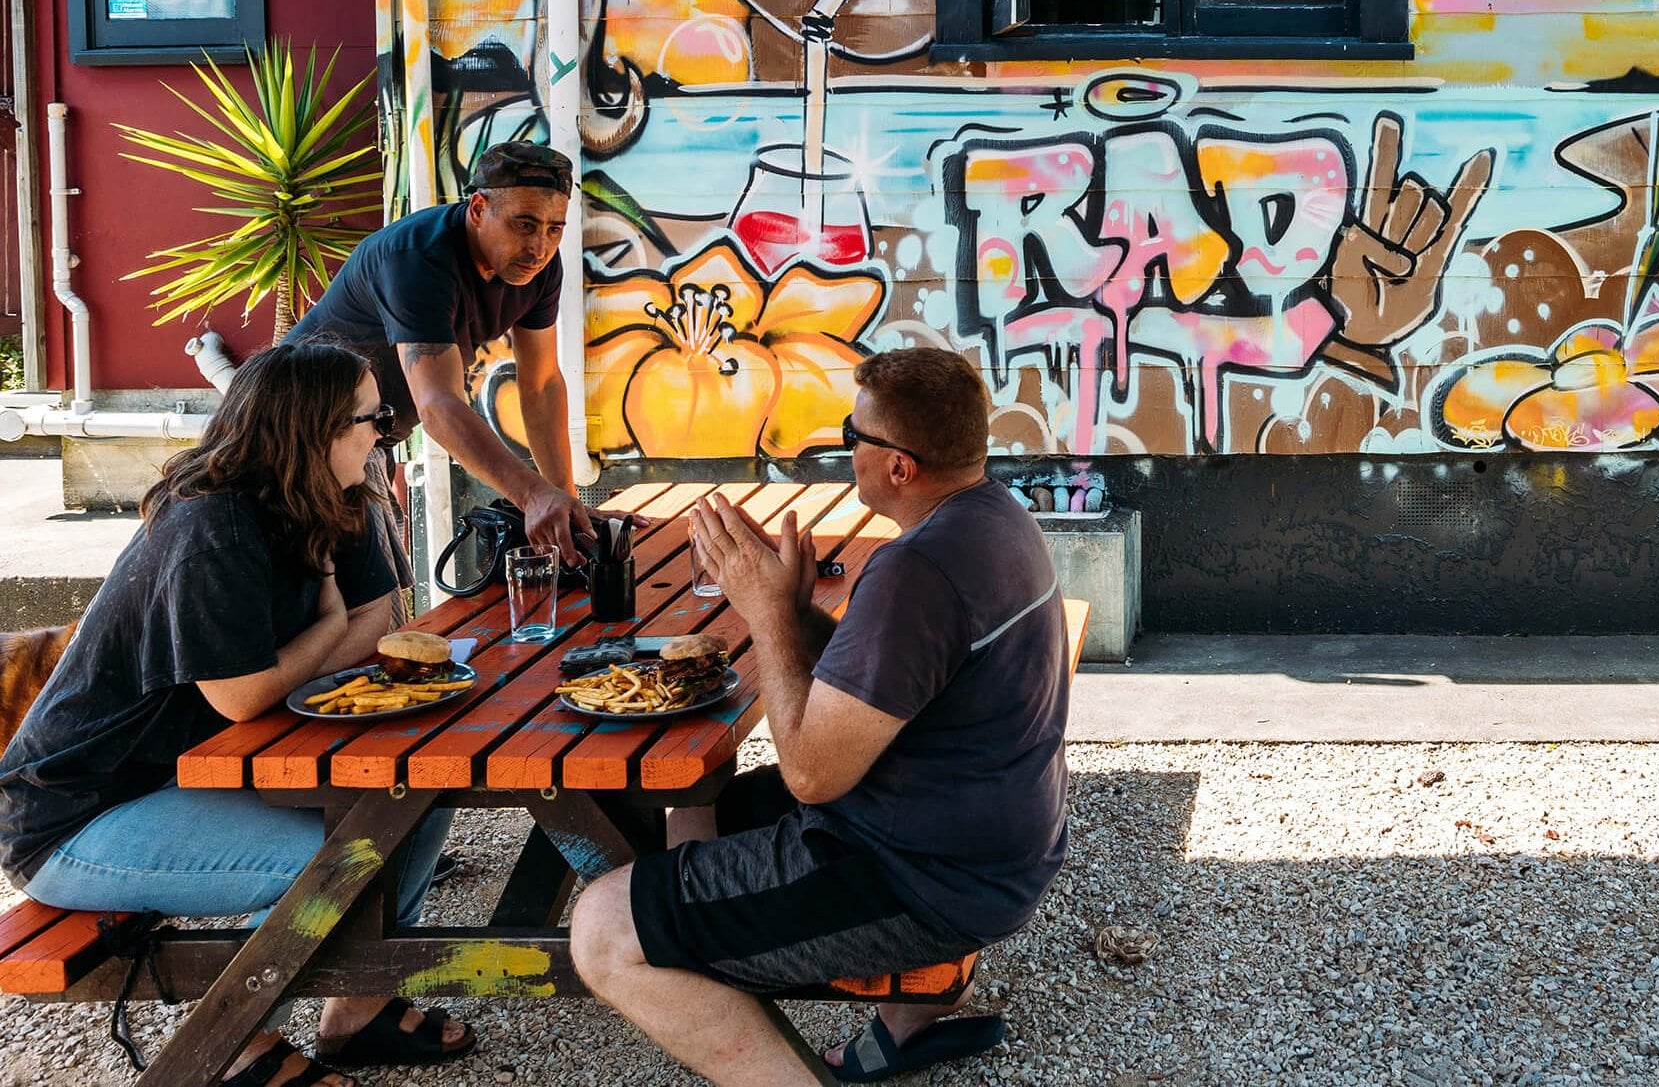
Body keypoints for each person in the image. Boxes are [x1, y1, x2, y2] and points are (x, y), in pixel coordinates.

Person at [569, 347, 1070, 1085]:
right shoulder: (994, 519)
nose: (844, 448)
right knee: (695, 806)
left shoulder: (917, 571)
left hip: (929, 878)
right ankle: (897, 1030)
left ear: (899, 466)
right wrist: (800, 613)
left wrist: (767, 611)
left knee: (603, 928)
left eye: (852, 434)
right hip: (993, 843)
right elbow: (889, 685)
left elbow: (810, 774)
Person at [0, 341, 473, 1087]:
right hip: (78, 813)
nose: (388, 430)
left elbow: (380, 619)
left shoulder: (341, 490)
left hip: (186, 774)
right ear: (313, 431)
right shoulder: (210, 524)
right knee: (343, 865)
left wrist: (331, 629)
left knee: (413, 796)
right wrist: (325, 627)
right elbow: (242, 694)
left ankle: (356, 1004)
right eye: (372, 418)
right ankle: (234, 1044)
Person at [288, 139, 591, 561]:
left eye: (554, 229)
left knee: (377, 596)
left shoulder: (538, 269)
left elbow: (540, 385)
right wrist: (532, 495)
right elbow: (438, 406)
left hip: (369, 436)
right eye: (524, 225)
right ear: (479, 209)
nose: (539, 247)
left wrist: (565, 503)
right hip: (299, 435)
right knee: (359, 601)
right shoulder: (418, 258)